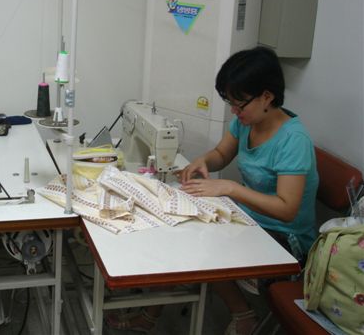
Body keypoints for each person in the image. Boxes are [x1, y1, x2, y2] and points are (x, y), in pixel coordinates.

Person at [107, 46, 318, 335]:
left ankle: (242, 315)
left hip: (286, 239)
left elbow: (287, 209)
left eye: (239, 104)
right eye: (230, 103)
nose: (234, 111)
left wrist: (229, 187)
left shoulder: (293, 140)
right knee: (179, 230)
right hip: (249, 219)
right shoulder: (246, 122)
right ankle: (151, 314)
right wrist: (203, 161)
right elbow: (221, 154)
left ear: (267, 97)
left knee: (201, 243)